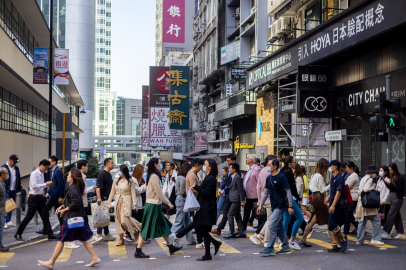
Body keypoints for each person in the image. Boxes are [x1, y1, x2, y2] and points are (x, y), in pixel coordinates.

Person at [38, 169, 100, 269]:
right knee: (83, 238)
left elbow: (75, 202)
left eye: (69, 175)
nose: (67, 176)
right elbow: (74, 202)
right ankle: (95, 258)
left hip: (72, 217)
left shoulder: (73, 188)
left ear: (73, 177)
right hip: (76, 217)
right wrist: (62, 207)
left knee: (61, 239)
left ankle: (51, 262)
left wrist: (64, 210)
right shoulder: (74, 187)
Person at [134, 158, 182, 258]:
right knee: (147, 228)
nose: (161, 163)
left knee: (164, 226)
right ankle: (138, 250)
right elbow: (159, 192)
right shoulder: (154, 176)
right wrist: (169, 203)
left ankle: (171, 247)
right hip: (153, 206)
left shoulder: (152, 175)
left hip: (154, 205)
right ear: (155, 164)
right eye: (159, 162)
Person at [258, 159, 294, 256]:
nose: (267, 166)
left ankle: (270, 248)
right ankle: (286, 247)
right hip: (274, 205)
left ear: (275, 166)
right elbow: (266, 192)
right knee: (279, 227)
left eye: (269, 165)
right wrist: (260, 204)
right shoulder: (269, 178)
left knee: (271, 224)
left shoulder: (281, 177)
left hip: (281, 205)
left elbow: (288, 191)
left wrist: (290, 206)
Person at [14, 160, 54, 241]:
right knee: (29, 217)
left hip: (40, 197)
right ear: (42, 165)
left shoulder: (42, 174)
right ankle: (18, 234)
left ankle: (50, 233)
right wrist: (46, 184)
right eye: (45, 168)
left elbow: (40, 186)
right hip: (33, 198)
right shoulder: (34, 174)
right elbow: (34, 186)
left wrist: (46, 186)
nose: (46, 170)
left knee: (45, 215)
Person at [190, 159, 222, 261]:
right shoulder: (207, 177)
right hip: (203, 207)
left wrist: (197, 187)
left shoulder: (212, 179)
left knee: (202, 229)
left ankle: (208, 254)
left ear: (210, 167)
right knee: (200, 229)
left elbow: (207, 194)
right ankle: (215, 244)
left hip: (207, 208)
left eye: (205, 164)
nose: (203, 166)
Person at [107, 165, 141, 246]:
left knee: (125, 219)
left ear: (124, 171)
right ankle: (121, 239)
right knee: (118, 221)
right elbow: (112, 192)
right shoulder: (116, 180)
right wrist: (108, 202)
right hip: (118, 202)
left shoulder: (130, 180)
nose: (118, 171)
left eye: (119, 170)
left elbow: (133, 193)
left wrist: (135, 204)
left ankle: (136, 232)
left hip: (127, 202)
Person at [175, 158, 205, 248]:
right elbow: (193, 188)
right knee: (192, 222)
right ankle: (176, 236)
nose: (201, 169)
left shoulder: (191, 174)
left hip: (193, 201)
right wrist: (201, 191)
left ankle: (199, 241)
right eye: (200, 167)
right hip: (194, 201)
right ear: (196, 166)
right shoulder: (192, 175)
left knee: (194, 222)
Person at [300, 158, 330, 247]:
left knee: (313, 220)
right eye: (327, 166)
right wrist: (331, 185)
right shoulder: (319, 176)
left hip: (315, 198)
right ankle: (335, 240)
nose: (328, 168)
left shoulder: (314, 175)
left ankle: (303, 239)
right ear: (323, 166)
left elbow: (310, 187)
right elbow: (322, 190)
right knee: (329, 217)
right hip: (319, 198)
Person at [168, 163, 196, 246]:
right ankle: (169, 239)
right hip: (182, 199)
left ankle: (190, 239)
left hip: (179, 199)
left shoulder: (179, 177)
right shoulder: (183, 178)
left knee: (188, 221)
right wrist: (185, 196)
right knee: (179, 221)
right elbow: (183, 191)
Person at [355, 165, 384, 245]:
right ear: (372, 172)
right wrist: (373, 187)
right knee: (376, 220)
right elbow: (366, 189)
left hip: (362, 202)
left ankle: (359, 240)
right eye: (375, 172)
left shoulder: (363, 178)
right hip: (368, 203)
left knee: (362, 221)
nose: (375, 174)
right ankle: (375, 238)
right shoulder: (370, 179)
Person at [251, 155, 276, 246]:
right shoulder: (272, 172)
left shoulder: (262, 171)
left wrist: (259, 200)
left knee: (269, 219)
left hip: (263, 198)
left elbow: (258, 186)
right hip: (270, 198)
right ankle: (265, 239)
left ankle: (260, 234)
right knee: (270, 220)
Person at [280, 156, 304, 251]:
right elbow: (292, 189)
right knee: (300, 218)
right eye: (294, 162)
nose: (295, 163)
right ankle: (292, 240)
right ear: (290, 163)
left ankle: (283, 241)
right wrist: (299, 198)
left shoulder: (282, 170)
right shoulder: (289, 172)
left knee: (287, 218)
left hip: (282, 198)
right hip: (288, 198)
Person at [37, 156, 65, 236]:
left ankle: (46, 229)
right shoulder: (53, 171)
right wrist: (48, 192)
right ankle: (63, 230)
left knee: (45, 211)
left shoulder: (58, 171)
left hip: (56, 196)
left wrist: (60, 196)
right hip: (53, 194)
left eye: (50, 162)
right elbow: (52, 183)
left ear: (54, 162)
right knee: (59, 213)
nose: (48, 163)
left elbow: (61, 184)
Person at [325, 160, 348, 252]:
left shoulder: (339, 178)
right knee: (332, 225)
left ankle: (343, 240)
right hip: (332, 202)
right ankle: (338, 245)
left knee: (332, 224)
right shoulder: (333, 177)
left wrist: (333, 205)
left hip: (337, 204)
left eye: (330, 166)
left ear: (335, 167)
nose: (329, 168)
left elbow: (338, 192)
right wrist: (328, 197)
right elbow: (333, 190)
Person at [76, 160, 100, 246]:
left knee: (84, 221)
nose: (88, 168)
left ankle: (90, 237)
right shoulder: (80, 176)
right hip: (80, 202)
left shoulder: (80, 175)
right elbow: (82, 191)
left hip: (81, 202)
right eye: (87, 166)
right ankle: (69, 241)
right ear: (83, 166)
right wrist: (92, 188)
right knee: (82, 221)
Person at [382, 163, 405, 239]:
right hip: (392, 197)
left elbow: (399, 189)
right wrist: (386, 184)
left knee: (390, 215)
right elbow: (391, 188)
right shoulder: (393, 177)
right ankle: (400, 232)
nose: (390, 171)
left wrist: (390, 184)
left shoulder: (400, 178)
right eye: (389, 170)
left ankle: (387, 232)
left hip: (397, 198)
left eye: (391, 170)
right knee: (396, 216)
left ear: (395, 169)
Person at [223, 163, 246, 239]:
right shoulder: (233, 177)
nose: (229, 169)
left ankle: (232, 232)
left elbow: (241, 190)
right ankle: (242, 232)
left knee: (229, 215)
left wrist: (242, 201)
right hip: (234, 199)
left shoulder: (237, 177)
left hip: (236, 200)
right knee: (238, 216)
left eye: (230, 168)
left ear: (234, 169)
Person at [95, 158, 115, 241]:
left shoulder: (109, 174)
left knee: (105, 217)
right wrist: (99, 197)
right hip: (103, 198)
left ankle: (104, 234)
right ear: (107, 164)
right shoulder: (102, 174)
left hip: (107, 199)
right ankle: (100, 234)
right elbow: (98, 187)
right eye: (112, 163)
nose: (113, 164)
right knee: (102, 216)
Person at [215, 154, 238, 223]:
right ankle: (219, 226)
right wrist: (220, 189)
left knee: (231, 213)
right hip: (226, 194)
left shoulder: (236, 171)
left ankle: (239, 229)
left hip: (232, 194)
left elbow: (232, 184)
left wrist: (224, 190)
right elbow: (225, 181)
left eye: (229, 161)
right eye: (227, 161)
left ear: (233, 161)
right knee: (225, 211)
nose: (227, 162)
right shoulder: (228, 169)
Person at [1, 154, 21, 228]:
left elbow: (18, 178)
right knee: (6, 205)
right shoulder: (3, 167)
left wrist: (19, 188)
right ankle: (4, 221)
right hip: (5, 189)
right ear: (10, 160)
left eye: (16, 162)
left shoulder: (16, 168)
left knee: (11, 205)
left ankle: (8, 220)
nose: (15, 163)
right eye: (14, 162)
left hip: (13, 189)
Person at [242, 154, 261, 230]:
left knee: (259, 212)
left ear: (251, 160)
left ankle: (260, 228)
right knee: (246, 211)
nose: (246, 159)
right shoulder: (249, 169)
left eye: (247, 158)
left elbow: (260, 183)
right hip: (249, 194)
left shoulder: (257, 169)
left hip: (255, 195)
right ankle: (243, 227)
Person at [343, 161, 360, 236]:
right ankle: (360, 228)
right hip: (351, 198)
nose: (346, 169)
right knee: (349, 216)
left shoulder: (353, 176)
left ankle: (345, 234)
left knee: (347, 216)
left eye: (347, 168)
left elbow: (347, 186)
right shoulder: (352, 175)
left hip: (352, 198)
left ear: (352, 168)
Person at [0, 168, 10, 251]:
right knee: (0, 228)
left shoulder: (2, 183)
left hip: (2, 210)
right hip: (0, 212)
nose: (7, 175)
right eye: (7, 173)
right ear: (2, 175)